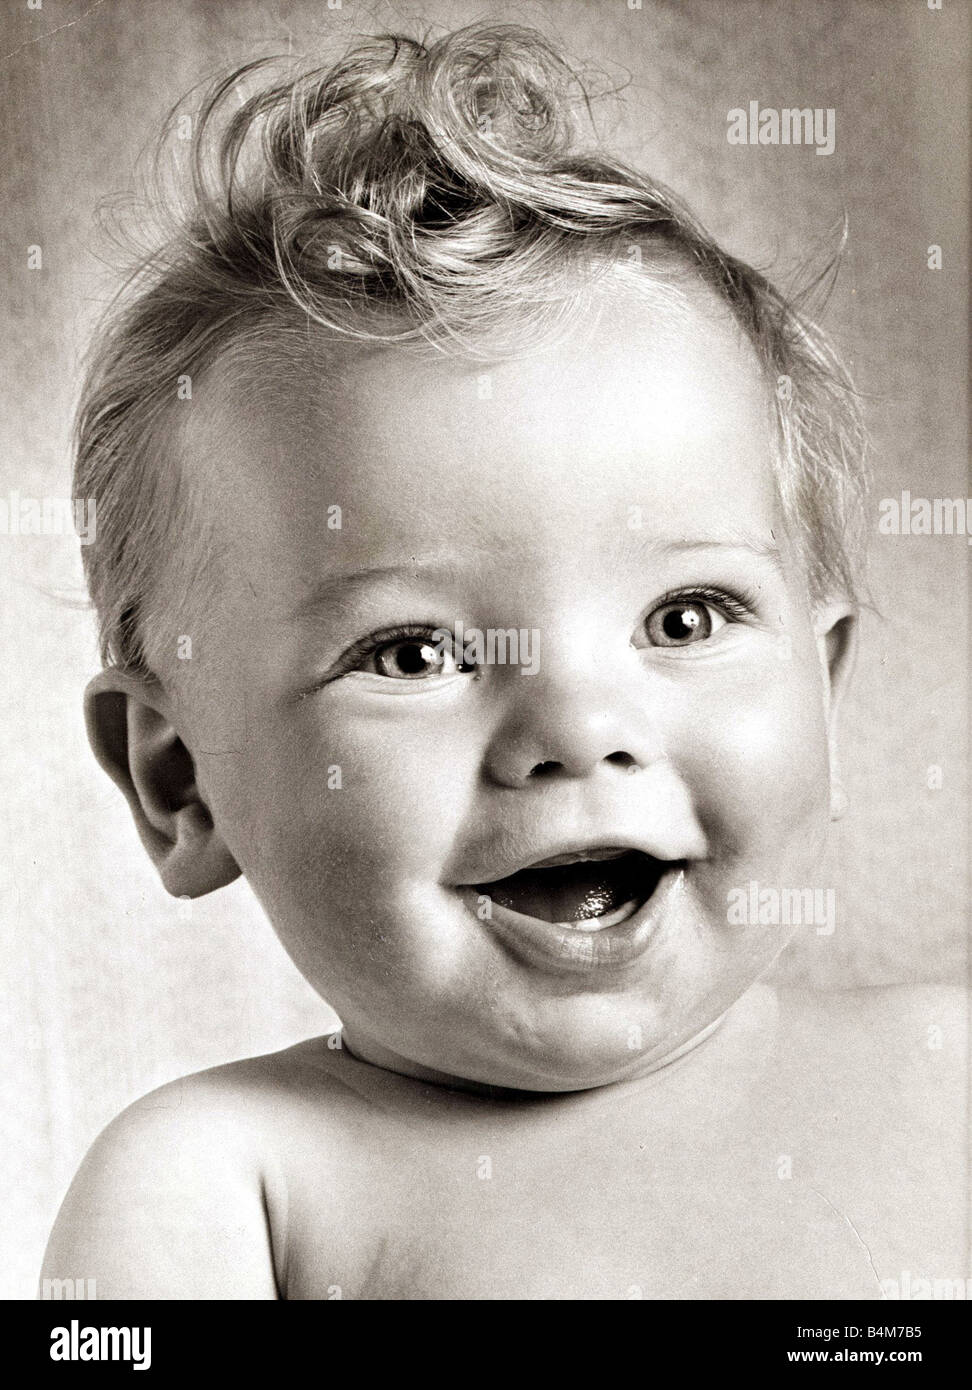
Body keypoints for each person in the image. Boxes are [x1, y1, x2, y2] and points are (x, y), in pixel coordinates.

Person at [43, 23, 965, 1299]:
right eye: (413, 650)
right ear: (181, 779)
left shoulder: (949, 1075)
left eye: (685, 618)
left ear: (825, 688)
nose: (580, 725)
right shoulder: (226, 1186)